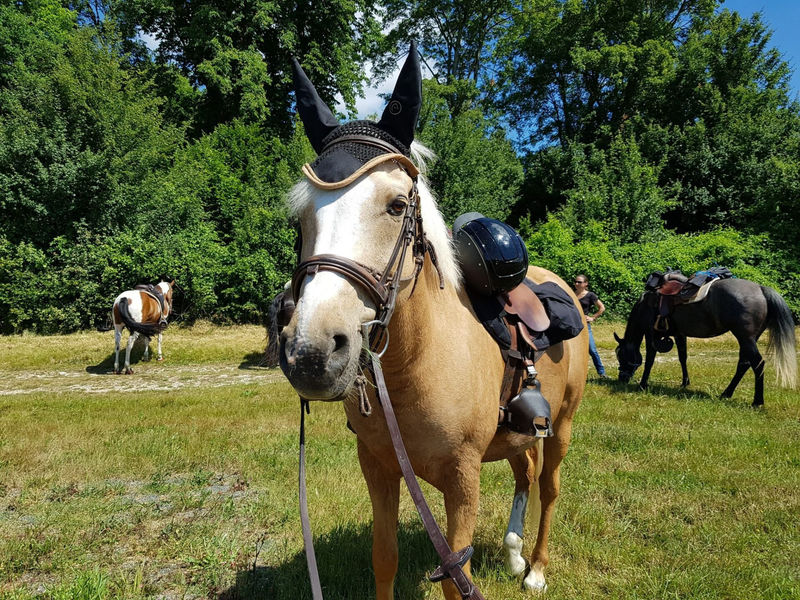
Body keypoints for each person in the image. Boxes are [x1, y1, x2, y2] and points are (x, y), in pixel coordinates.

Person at [574, 274, 607, 379]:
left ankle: (601, 372)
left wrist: (593, 318)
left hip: (584, 326)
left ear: (586, 284)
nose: (576, 284)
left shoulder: (590, 295)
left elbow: (602, 308)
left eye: (579, 282)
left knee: (592, 350)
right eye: (576, 281)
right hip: (572, 325)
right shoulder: (572, 294)